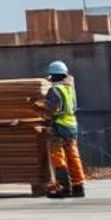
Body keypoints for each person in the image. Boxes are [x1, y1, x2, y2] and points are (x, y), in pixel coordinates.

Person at [41, 61, 86, 199]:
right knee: (73, 155)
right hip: (71, 125)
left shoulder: (54, 90)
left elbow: (51, 109)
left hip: (59, 126)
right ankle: (78, 186)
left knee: (58, 156)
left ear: (52, 76)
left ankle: (63, 187)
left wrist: (37, 105)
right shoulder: (70, 89)